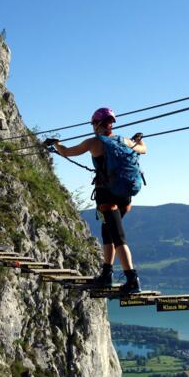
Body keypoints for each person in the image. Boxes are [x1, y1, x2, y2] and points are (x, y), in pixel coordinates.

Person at [45, 107, 146, 293]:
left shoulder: (94, 143)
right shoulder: (124, 140)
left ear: (97, 124)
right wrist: (139, 140)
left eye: (93, 123)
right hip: (125, 198)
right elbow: (143, 149)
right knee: (107, 232)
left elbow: (67, 152)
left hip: (107, 197)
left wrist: (56, 144)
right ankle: (106, 274)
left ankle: (132, 279)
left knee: (117, 238)